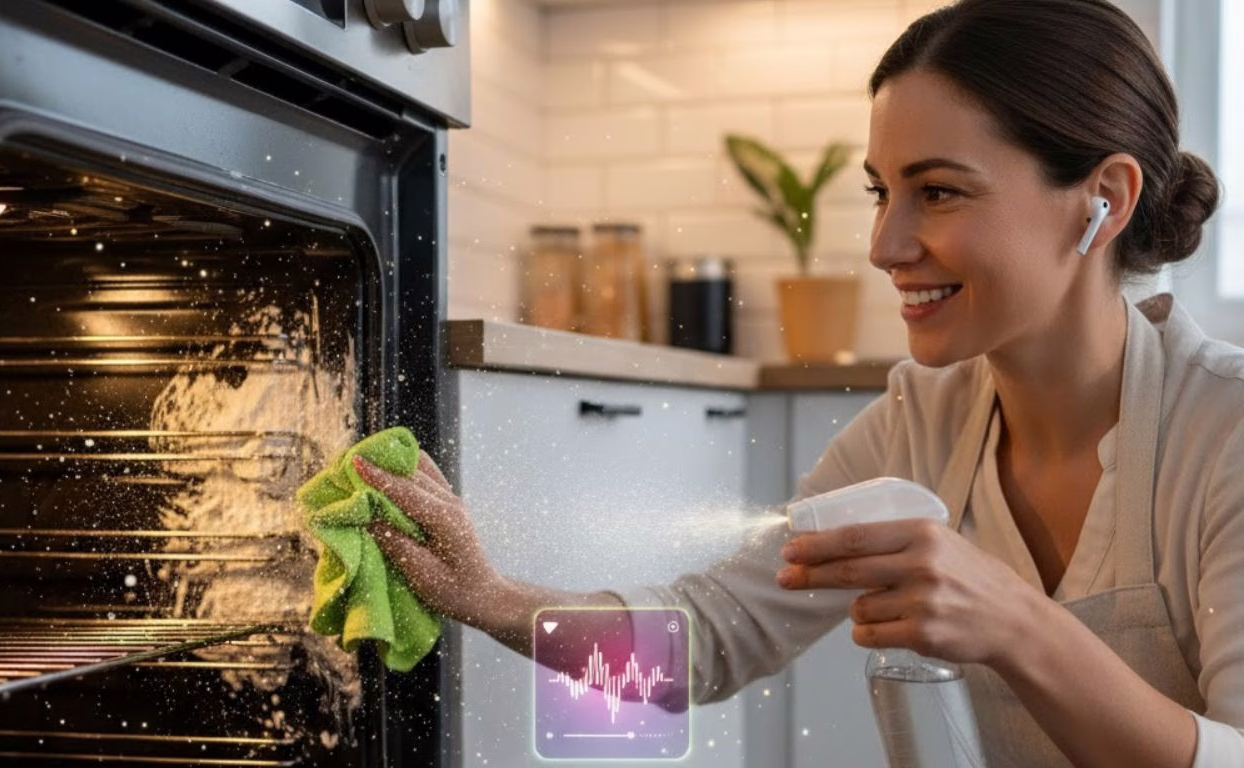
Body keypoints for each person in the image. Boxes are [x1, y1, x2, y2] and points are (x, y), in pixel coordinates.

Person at [355, 0, 1243, 765]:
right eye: (880, 193)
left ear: (1107, 200)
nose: (885, 247)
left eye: (937, 192)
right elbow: (708, 641)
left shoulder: (1225, 431)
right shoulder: (917, 428)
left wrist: (1017, 624)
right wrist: (493, 599)